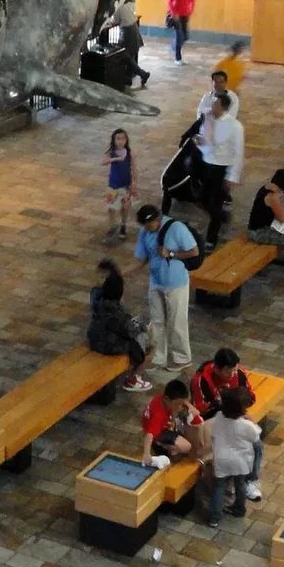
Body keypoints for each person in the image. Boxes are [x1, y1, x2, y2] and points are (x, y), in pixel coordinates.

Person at [133, 203, 197, 370]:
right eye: (145, 226)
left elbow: (193, 251)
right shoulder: (145, 232)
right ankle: (158, 356)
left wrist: (171, 254)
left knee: (177, 321)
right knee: (156, 321)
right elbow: (142, 258)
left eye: (150, 225)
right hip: (156, 282)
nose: (148, 229)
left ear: (158, 219)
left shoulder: (177, 228)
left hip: (176, 283)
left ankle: (182, 357)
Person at [88, 259, 152, 393]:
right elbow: (130, 331)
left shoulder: (97, 299)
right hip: (109, 345)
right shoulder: (117, 313)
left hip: (95, 339)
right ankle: (134, 378)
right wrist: (143, 327)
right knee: (150, 342)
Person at [196, 94, 243, 249]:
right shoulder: (208, 120)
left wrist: (232, 176)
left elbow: (238, 153)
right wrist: (200, 143)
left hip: (221, 168)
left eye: (215, 104)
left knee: (215, 202)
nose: (212, 107)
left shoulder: (234, 126)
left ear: (223, 107)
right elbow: (206, 142)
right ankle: (220, 216)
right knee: (202, 199)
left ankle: (211, 238)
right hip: (207, 165)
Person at [209, 388, 263, 522]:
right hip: (241, 461)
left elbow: (214, 432)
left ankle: (215, 518)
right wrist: (251, 421)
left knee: (218, 487)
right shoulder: (246, 425)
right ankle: (239, 509)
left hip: (221, 459)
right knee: (240, 485)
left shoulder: (218, 417)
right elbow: (256, 437)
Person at [141, 379, 204, 468]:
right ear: (167, 399)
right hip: (158, 433)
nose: (180, 407)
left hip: (164, 425)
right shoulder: (158, 415)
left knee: (177, 457)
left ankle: (172, 451)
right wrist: (146, 454)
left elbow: (182, 402)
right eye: (178, 404)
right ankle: (162, 445)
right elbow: (149, 434)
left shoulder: (166, 398)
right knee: (186, 446)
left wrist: (190, 406)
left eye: (181, 403)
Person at [102, 128, 136, 238]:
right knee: (111, 207)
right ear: (114, 140)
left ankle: (123, 225)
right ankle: (112, 225)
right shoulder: (111, 153)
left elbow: (134, 168)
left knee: (124, 207)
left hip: (125, 184)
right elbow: (102, 162)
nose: (120, 141)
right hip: (113, 184)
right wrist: (115, 159)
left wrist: (134, 182)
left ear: (126, 141)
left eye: (123, 139)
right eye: (118, 139)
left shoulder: (129, 154)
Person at [168, 0, 199, 64]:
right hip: (177, 17)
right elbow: (170, 1)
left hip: (185, 16)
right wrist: (174, 13)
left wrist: (190, 12)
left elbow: (192, 2)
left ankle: (173, 46)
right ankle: (178, 58)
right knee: (179, 36)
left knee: (185, 37)